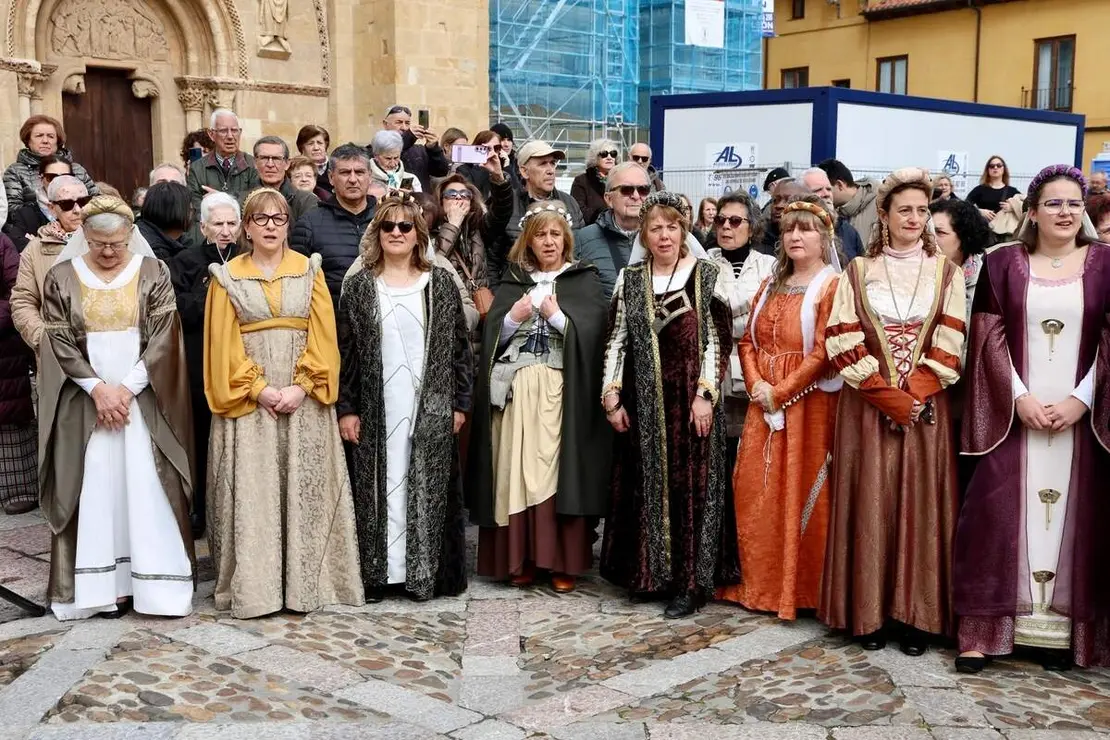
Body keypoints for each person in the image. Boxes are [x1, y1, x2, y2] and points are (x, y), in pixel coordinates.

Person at [955, 165, 1110, 673]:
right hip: (1013, 417)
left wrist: (1082, 400)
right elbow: (987, 339)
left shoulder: (1108, 264)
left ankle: (1067, 635)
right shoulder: (1002, 264)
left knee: (1083, 518)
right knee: (992, 515)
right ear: (1032, 211)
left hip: (1080, 421)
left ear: (1083, 209)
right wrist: (1018, 397)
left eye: (1072, 203)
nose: (1064, 212)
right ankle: (983, 632)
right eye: (1052, 203)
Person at [821, 167, 966, 656]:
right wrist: (888, 396)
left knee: (919, 505)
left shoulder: (946, 272)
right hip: (868, 405)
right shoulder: (857, 272)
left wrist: (915, 394)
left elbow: (952, 340)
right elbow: (841, 338)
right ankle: (868, 613)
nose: (915, 217)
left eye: (922, 210)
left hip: (925, 411)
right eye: (905, 209)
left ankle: (916, 617)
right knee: (871, 501)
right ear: (883, 214)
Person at [204, 188, 363, 618]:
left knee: (304, 489)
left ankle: (309, 585)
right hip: (251, 403)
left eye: (279, 219)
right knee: (257, 493)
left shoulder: (309, 271)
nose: (270, 226)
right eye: (261, 219)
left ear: (288, 225)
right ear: (247, 228)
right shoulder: (226, 276)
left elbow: (324, 333)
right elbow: (222, 344)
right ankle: (259, 589)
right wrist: (258, 389)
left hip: (302, 399)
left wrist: (303, 385)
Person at [38, 196, 194, 620]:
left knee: (145, 484)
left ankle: (152, 586)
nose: (108, 252)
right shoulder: (61, 277)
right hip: (85, 400)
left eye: (117, 244)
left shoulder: (153, 272)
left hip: (141, 397)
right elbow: (57, 340)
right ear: (83, 236)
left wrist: (125, 389)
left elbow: (164, 336)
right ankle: (99, 590)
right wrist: (97, 390)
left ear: (130, 236)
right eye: (98, 243)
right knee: (93, 486)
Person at [599, 191, 740, 618]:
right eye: (656, 228)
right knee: (647, 484)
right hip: (644, 402)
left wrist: (705, 395)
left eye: (672, 227)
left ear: (684, 230)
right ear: (644, 233)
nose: (665, 236)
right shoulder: (631, 278)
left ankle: (690, 582)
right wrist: (610, 394)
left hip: (690, 401)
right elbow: (618, 339)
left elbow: (718, 340)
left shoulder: (706, 275)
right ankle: (650, 574)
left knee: (690, 489)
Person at [466, 201, 610, 593]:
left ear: (566, 239)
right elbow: (494, 339)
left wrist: (558, 318)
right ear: (528, 242)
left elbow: (595, 339)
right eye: (540, 235)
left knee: (555, 473)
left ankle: (560, 559)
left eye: (555, 234)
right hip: (513, 395)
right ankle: (520, 558)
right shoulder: (515, 283)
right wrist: (512, 318)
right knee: (514, 472)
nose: (548, 242)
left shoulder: (583, 280)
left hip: (561, 393)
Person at [336, 194, 471, 602]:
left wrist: (460, 403)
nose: (396, 233)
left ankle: (422, 574)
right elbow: (347, 355)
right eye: (388, 227)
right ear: (376, 233)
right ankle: (380, 575)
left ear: (418, 235)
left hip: (429, 403)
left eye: (405, 227)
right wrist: (348, 408)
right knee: (382, 486)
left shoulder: (440, 283)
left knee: (424, 486)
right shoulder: (359, 287)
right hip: (378, 407)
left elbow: (460, 349)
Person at [717, 197, 841, 620]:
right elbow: (748, 339)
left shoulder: (831, 286)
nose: (795, 237)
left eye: (805, 229)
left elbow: (825, 349)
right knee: (756, 490)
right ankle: (755, 581)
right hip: (763, 403)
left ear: (824, 238)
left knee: (801, 489)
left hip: (809, 405)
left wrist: (782, 391)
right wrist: (756, 385)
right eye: (789, 229)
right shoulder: (771, 283)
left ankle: (800, 588)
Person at [171, 191, 241, 538]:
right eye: (218, 224)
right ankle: (199, 508)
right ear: (203, 227)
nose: (225, 231)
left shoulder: (249, 258)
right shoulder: (185, 261)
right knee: (200, 439)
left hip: (242, 365)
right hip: (199, 367)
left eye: (231, 223)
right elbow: (177, 310)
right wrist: (210, 290)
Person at [703, 191, 777, 464]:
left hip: (754, 370)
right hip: (713, 369)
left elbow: (767, 319)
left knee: (751, 451)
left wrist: (726, 312)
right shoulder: (704, 262)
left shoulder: (770, 265)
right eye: (721, 220)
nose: (725, 227)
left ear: (752, 226)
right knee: (717, 452)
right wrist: (752, 302)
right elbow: (707, 314)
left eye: (735, 221)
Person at [290, 144, 377, 308]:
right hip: (330, 323)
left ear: (370, 176)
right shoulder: (309, 223)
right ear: (331, 177)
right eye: (344, 172)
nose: (353, 179)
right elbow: (297, 285)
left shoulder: (387, 220)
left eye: (359, 172)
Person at [11, 175, 89, 355]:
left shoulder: (108, 240)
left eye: (83, 201)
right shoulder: (35, 249)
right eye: (67, 205)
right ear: (52, 209)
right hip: (58, 353)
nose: (77, 210)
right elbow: (23, 300)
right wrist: (44, 339)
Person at [433, 160, 513, 327]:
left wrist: (498, 178)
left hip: (479, 310)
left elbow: (501, 213)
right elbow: (435, 263)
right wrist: (453, 225)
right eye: (452, 194)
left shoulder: (478, 229)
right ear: (441, 201)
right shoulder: (430, 231)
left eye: (465, 195)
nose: (459, 198)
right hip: (447, 314)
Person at [494, 141, 583, 285]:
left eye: (553, 163)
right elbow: (492, 259)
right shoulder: (508, 205)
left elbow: (579, 251)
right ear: (524, 171)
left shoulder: (569, 203)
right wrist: (499, 295)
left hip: (564, 289)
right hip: (518, 290)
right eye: (542, 164)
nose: (551, 170)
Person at [573, 162, 651, 298]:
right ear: (609, 199)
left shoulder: (666, 237)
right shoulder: (582, 239)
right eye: (626, 190)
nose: (636, 196)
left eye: (643, 189)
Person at [0, 233, 37, 514]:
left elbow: (17, 292)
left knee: (10, 417)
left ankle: (19, 487)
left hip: (3, 344)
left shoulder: (2, 243)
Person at [4, 115, 98, 215]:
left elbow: (97, 200)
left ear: (58, 141)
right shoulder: (15, 171)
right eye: (39, 136)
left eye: (51, 136)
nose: (45, 141)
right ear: (28, 140)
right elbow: (12, 209)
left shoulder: (76, 169)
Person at [929, 198, 996, 325]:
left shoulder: (988, 280)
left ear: (966, 237)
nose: (930, 238)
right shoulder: (915, 273)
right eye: (927, 231)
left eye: (940, 232)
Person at [186, 109, 261, 211]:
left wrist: (222, 197)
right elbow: (197, 210)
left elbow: (256, 202)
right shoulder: (197, 168)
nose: (230, 136)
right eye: (223, 131)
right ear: (212, 134)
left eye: (234, 130)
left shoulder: (253, 164)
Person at [2, 155, 71, 252]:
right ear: (41, 179)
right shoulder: (25, 214)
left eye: (65, 177)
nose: (58, 182)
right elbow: (16, 244)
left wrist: (36, 242)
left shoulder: (82, 209)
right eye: (51, 177)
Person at [380, 105, 451, 193]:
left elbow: (441, 172)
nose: (404, 128)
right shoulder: (377, 149)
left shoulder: (420, 151)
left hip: (419, 202)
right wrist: (409, 137)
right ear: (385, 124)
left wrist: (433, 148)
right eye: (398, 122)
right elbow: (390, 150)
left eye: (407, 123)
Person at [801, 167, 864, 261]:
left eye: (829, 189)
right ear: (801, 195)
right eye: (818, 190)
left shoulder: (849, 232)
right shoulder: (793, 231)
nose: (826, 194)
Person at [253, 136, 318, 222]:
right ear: (255, 163)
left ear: (287, 164)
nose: (270, 164)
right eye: (264, 158)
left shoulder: (306, 201)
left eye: (277, 159)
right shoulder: (242, 200)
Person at [818, 159, 879, 246]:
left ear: (840, 185)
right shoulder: (832, 211)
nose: (822, 195)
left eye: (827, 189)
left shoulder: (882, 203)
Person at [136, 181, 191, 263]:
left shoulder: (179, 241)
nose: (192, 214)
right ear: (176, 212)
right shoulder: (154, 252)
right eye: (190, 210)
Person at [571, 139, 621, 226]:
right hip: (592, 230)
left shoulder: (621, 180)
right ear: (595, 158)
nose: (609, 157)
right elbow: (578, 212)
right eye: (604, 154)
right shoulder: (581, 181)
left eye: (613, 154)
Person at [758, 181, 809, 255]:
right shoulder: (758, 241)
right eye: (775, 200)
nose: (778, 206)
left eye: (788, 200)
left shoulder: (811, 242)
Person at [966, 156, 1021, 223]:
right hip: (983, 229)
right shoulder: (979, 190)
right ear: (988, 170)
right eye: (992, 166)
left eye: (999, 165)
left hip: (1005, 231)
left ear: (1004, 169)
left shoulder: (1012, 191)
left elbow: (1026, 205)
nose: (995, 168)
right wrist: (980, 211)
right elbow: (965, 206)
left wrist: (1012, 207)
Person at [456, 130, 504, 201]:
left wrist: (506, 168)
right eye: (487, 149)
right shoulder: (463, 169)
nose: (493, 153)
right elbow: (473, 196)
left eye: (496, 148)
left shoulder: (502, 169)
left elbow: (514, 196)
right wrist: (482, 166)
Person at [296, 124, 332, 196]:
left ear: (326, 145)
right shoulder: (293, 169)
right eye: (310, 144)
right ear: (302, 148)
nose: (316, 148)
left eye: (320, 143)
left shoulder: (336, 167)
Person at [490, 123, 522, 191]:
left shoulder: (517, 163)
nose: (506, 144)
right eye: (502, 140)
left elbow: (518, 191)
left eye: (509, 140)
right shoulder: (485, 164)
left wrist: (507, 166)